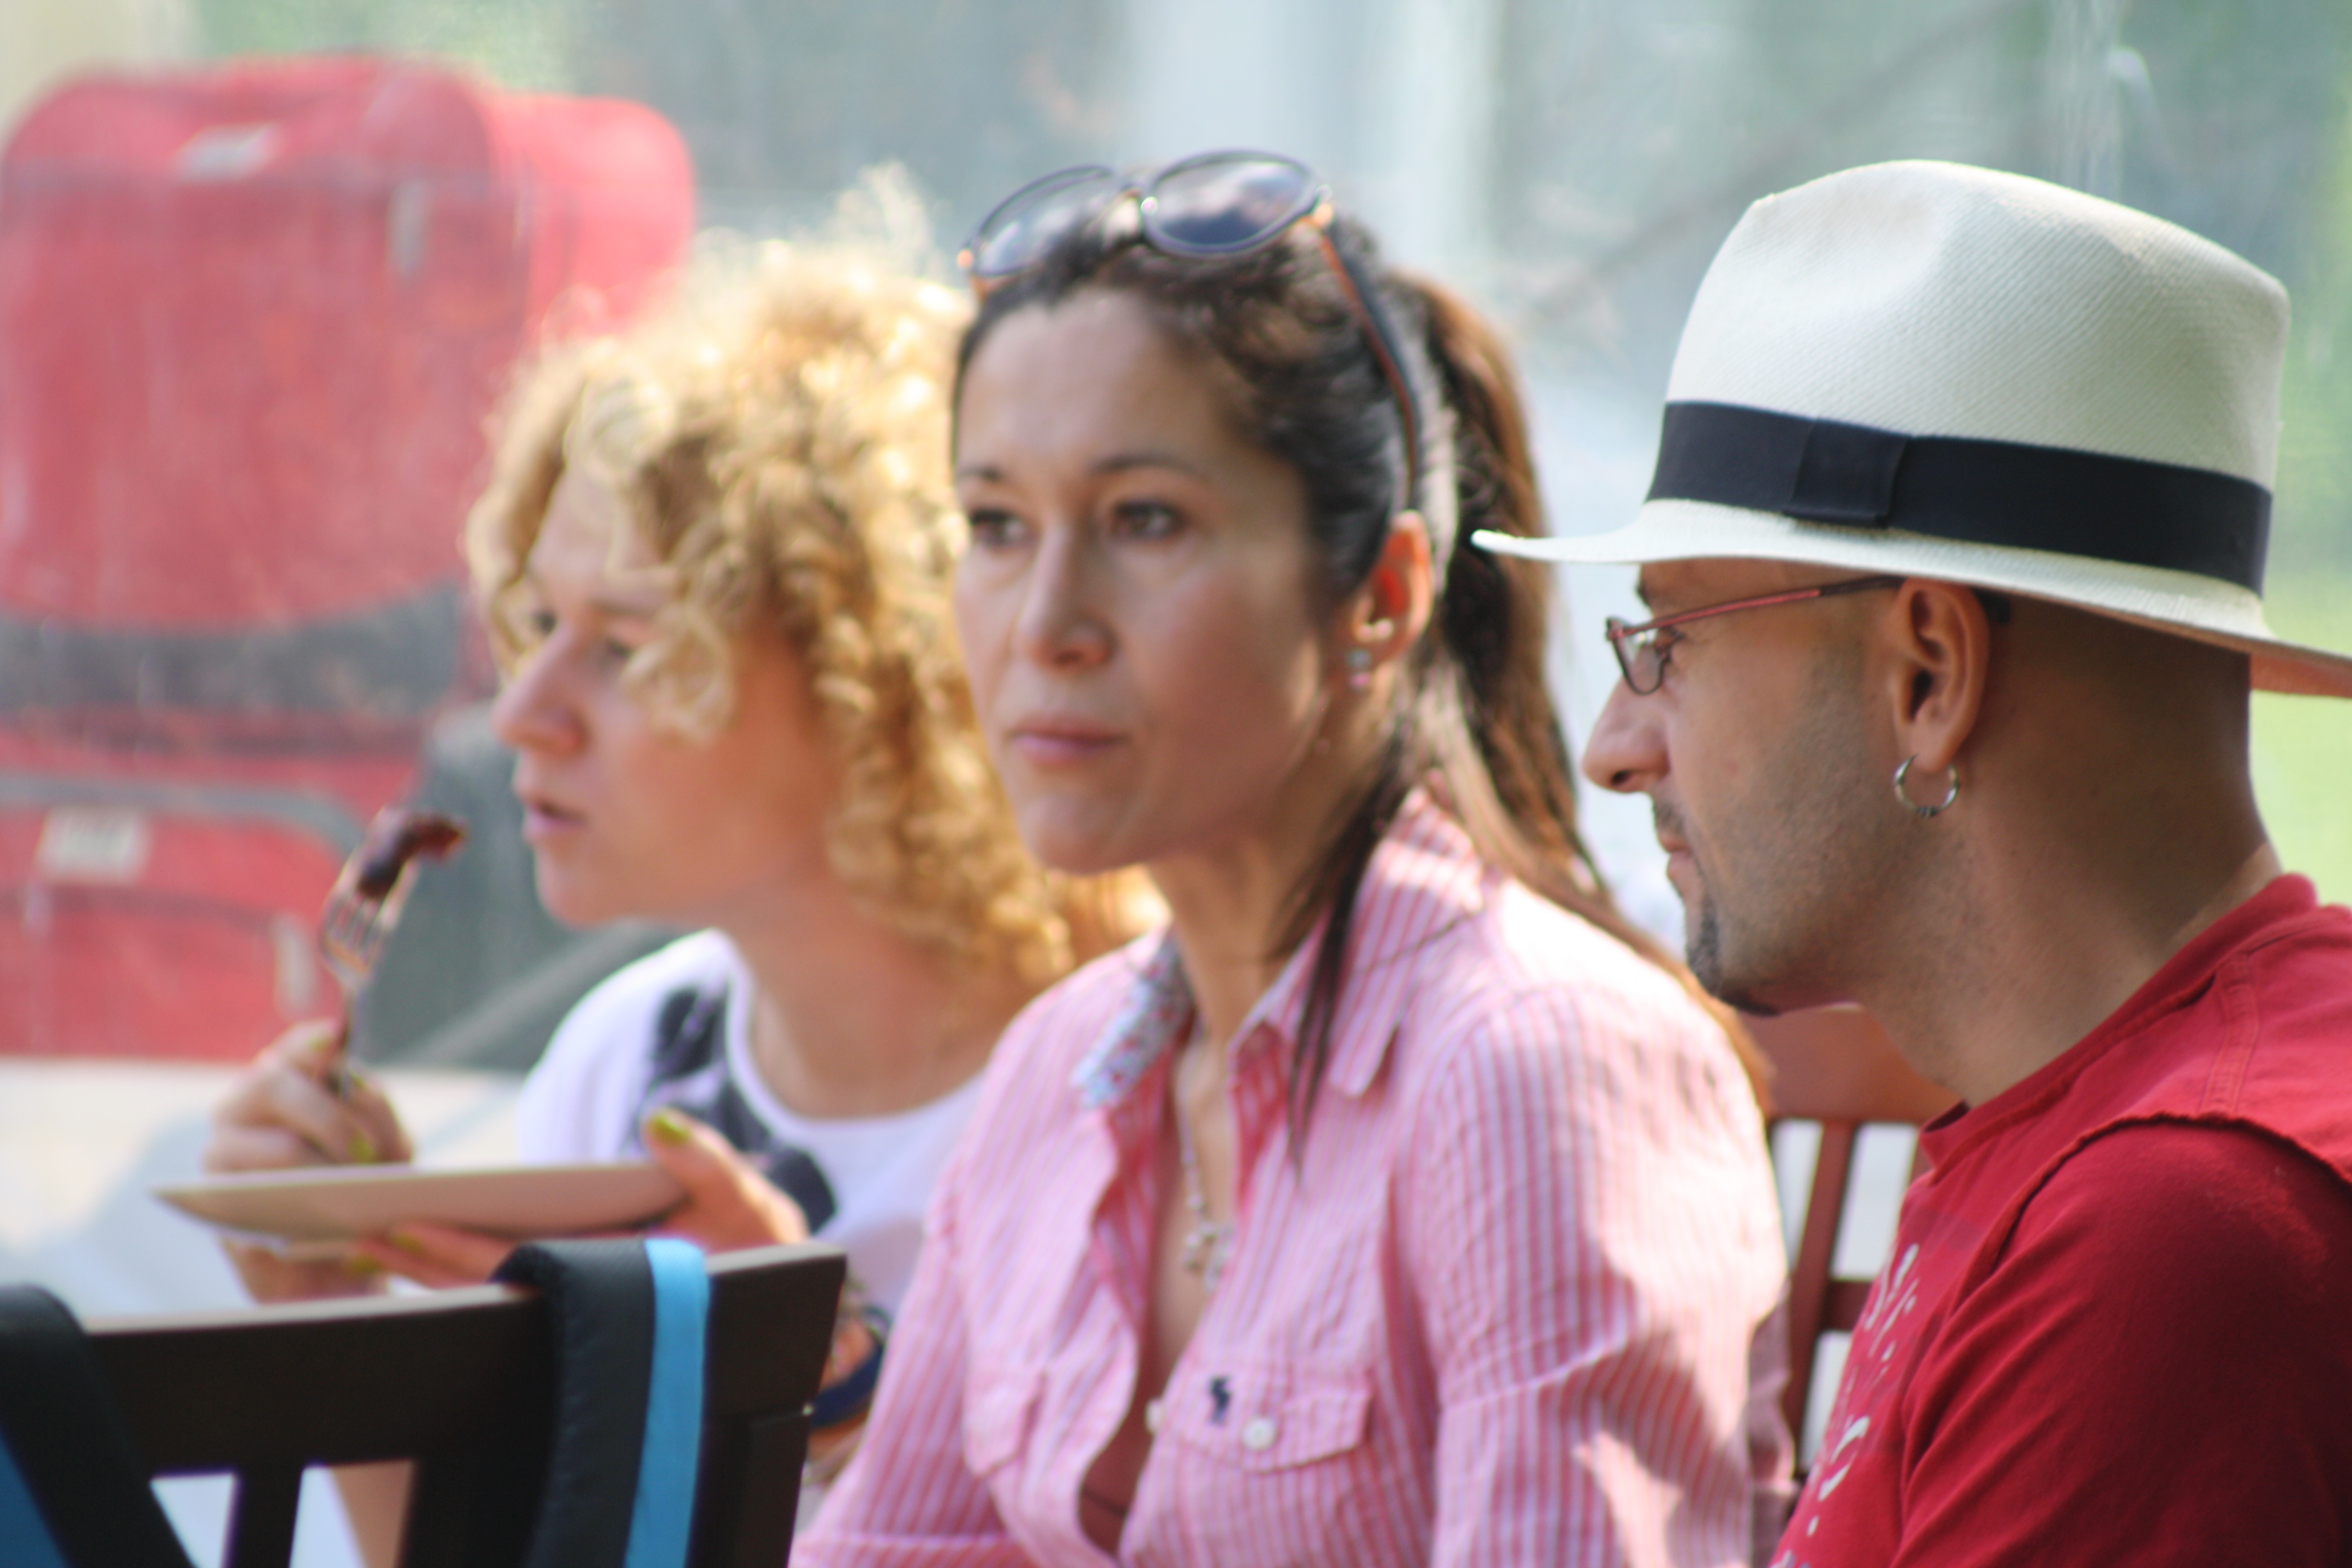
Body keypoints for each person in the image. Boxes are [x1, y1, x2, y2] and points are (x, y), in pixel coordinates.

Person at [800, 151, 1788, 1568]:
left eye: (1145, 519)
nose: (1043, 624)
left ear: (1381, 597)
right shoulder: (1058, 1076)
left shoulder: (1537, 1063)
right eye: (996, 526)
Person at [204, 237, 1140, 1555]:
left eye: (631, 646)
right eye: (540, 628)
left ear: (874, 677)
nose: (522, 713)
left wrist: (821, 1371)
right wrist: (328, 1308)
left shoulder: (1128, 1090)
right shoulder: (627, 1059)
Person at [1486, 159, 2352, 1565]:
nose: (1613, 748)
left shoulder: (2172, 1223)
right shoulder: (2093, 1131)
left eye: (1669, 644)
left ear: (1929, 674)